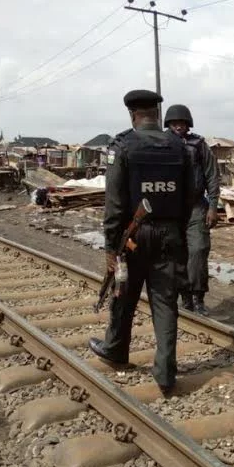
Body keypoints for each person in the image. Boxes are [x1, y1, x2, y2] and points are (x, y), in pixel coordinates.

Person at [89, 90, 194, 395]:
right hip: (170, 234)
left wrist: (111, 247)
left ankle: (115, 349)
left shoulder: (122, 146)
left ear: (132, 114)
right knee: (165, 302)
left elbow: (114, 204)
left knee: (124, 293)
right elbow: (189, 197)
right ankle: (166, 373)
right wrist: (178, 231)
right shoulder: (179, 146)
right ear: (157, 114)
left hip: (132, 236)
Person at [164, 104, 220, 315]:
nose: (178, 126)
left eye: (182, 123)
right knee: (176, 255)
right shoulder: (161, 144)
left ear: (188, 125)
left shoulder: (198, 144)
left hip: (196, 207)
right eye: (174, 123)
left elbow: (212, 176)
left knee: (198, 250)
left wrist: (213, 206)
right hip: (170, 210)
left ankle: (197, 297)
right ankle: (184, 297)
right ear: (168, 125)